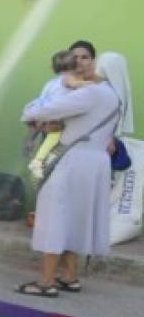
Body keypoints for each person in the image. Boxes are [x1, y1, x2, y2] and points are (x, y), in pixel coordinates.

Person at [18, 42, 121, 297]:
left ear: (94, 62)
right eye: (74, 58)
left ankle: (46, 281)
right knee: (73, 218)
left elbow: (35, 110)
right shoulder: (109, 91)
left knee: (54, 217)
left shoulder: (87, 93)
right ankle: (70, 276)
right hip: (93, 161)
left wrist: (63, 86)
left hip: (72, 159)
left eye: (84, 58)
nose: (78, 63)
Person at [24, 50, 77, 180]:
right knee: (54, 137)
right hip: (56, 120)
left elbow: (42, 101)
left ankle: (38, 160)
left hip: (46, 116)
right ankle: (38, 161)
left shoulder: (50, 84)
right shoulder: (69, 82)